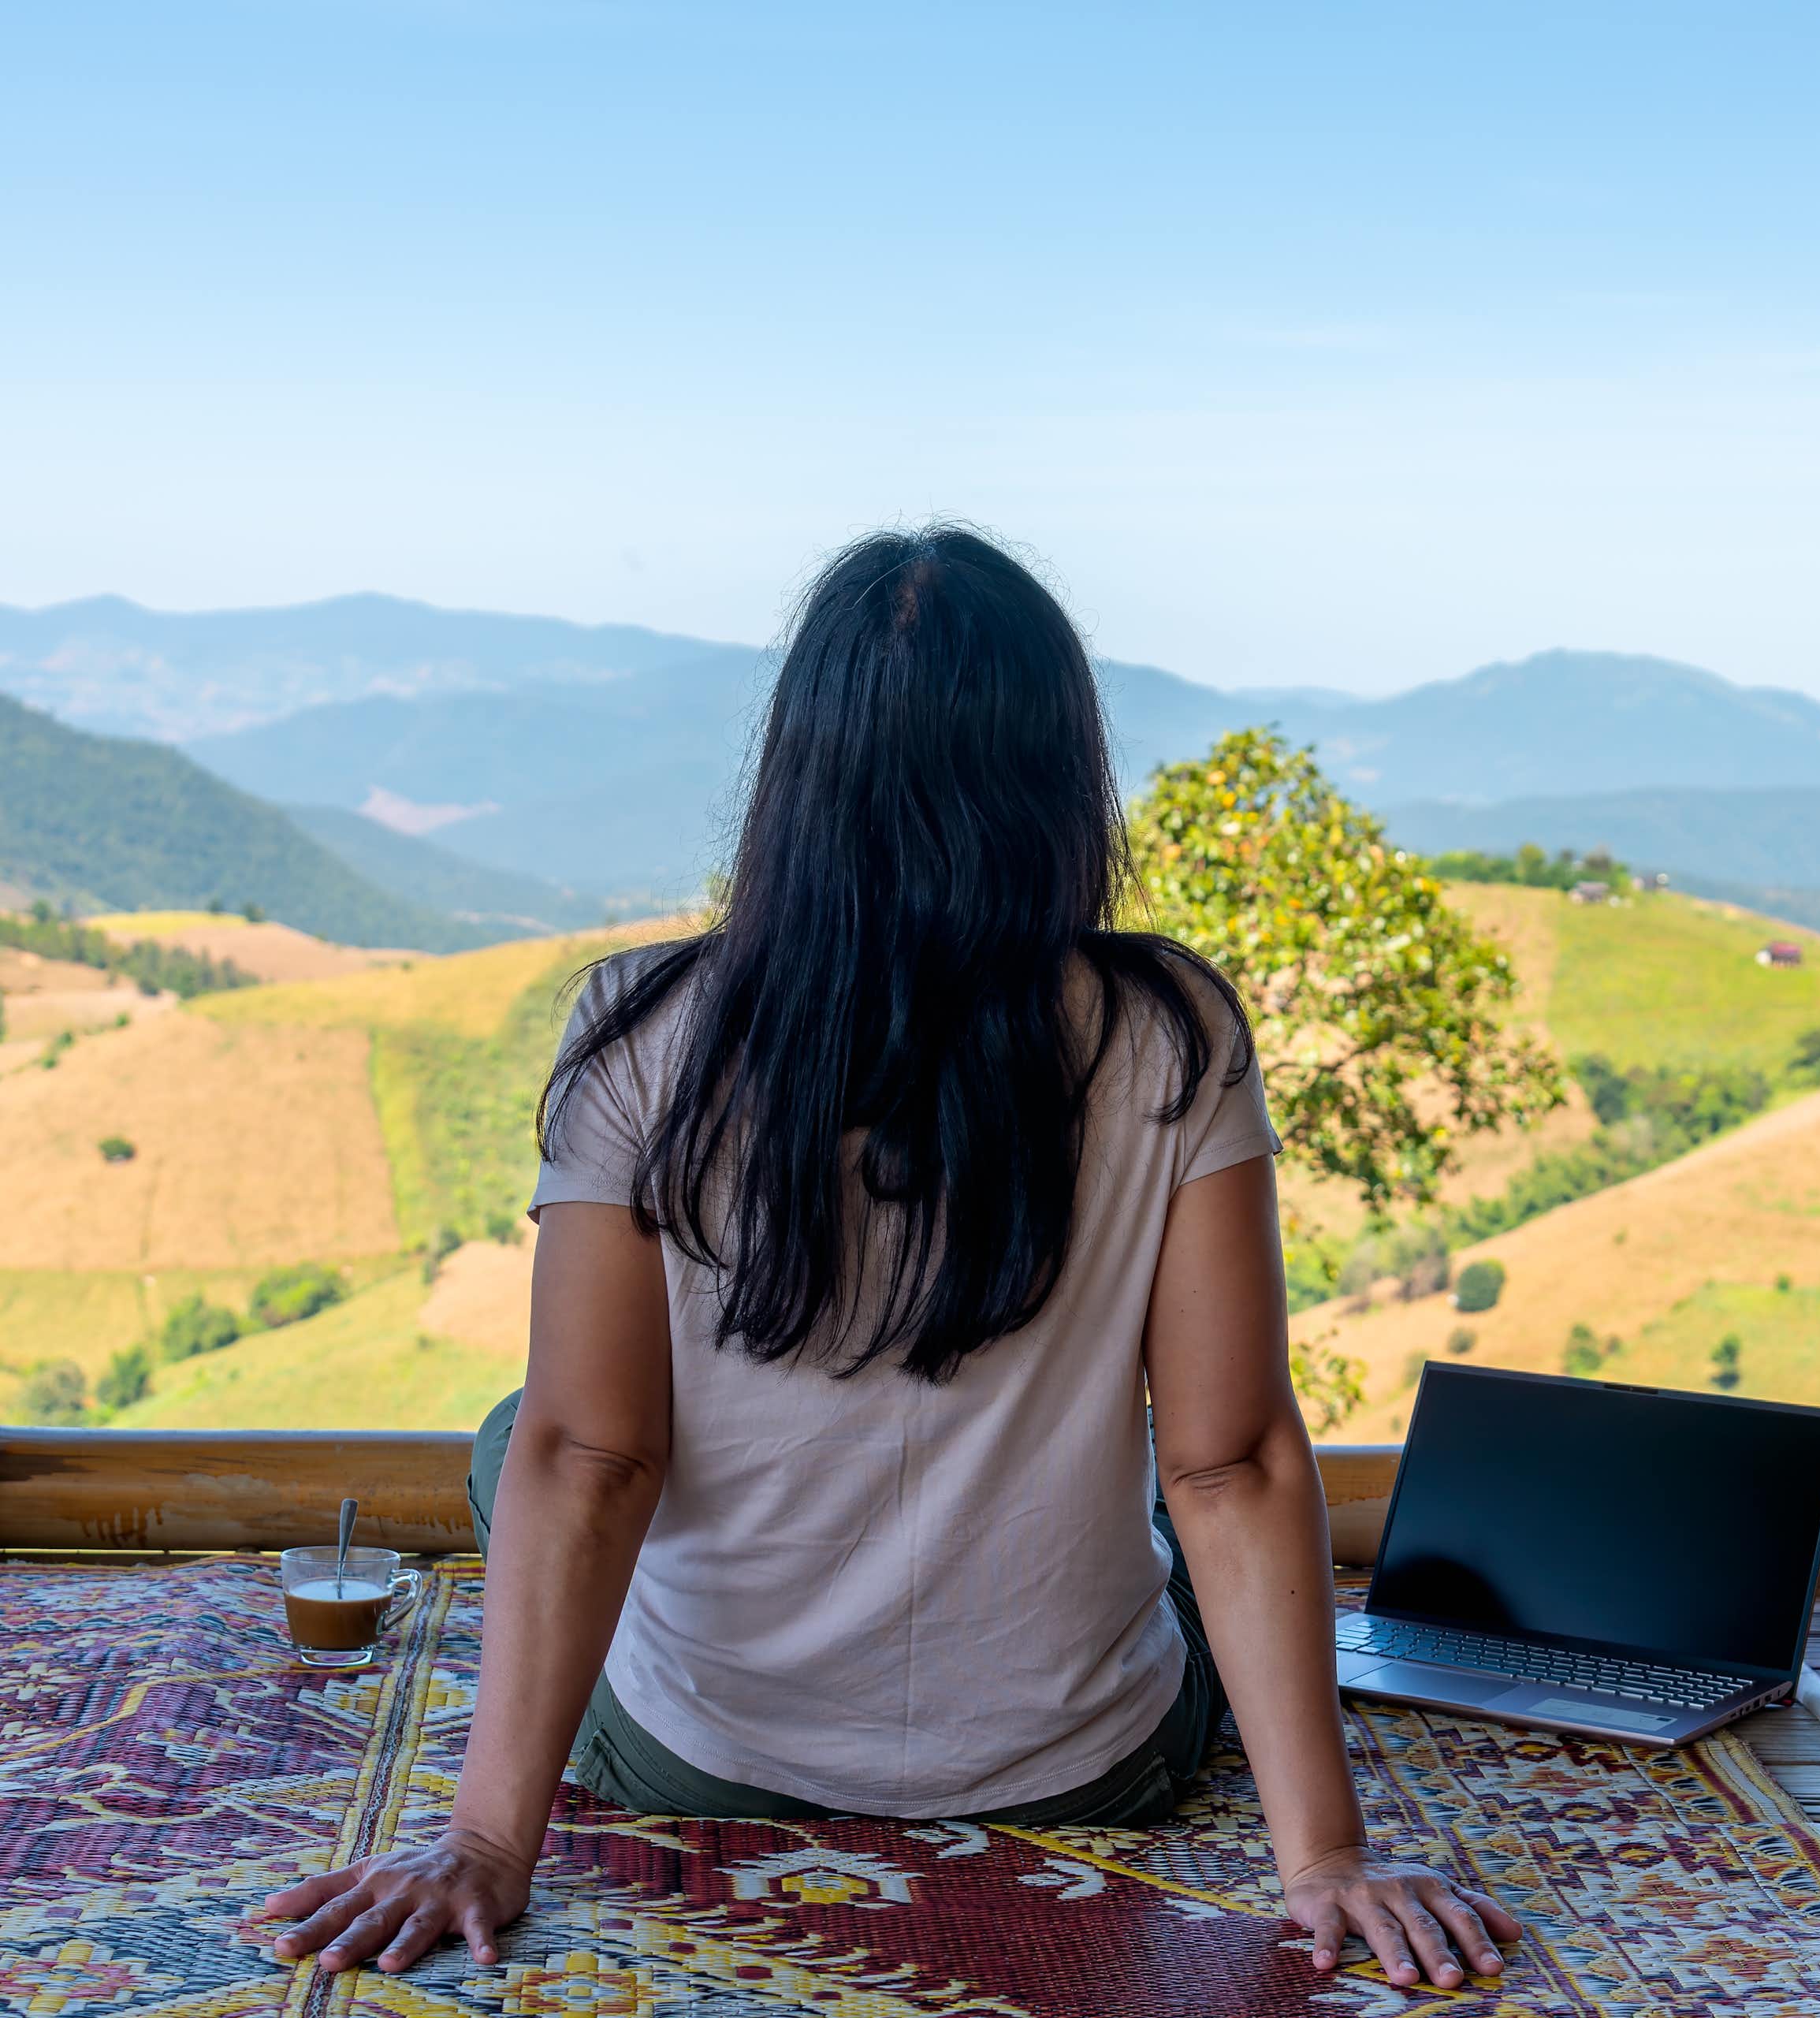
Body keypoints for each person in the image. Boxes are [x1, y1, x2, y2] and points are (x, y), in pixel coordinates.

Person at [261, 527, 1520, 1990]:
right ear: (1062, 776)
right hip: (1077, 1772)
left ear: (797, 771)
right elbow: (1229, 1462)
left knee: (519, 1441)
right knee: (1177, 1538)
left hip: (704, 1762)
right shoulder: (1175, 1031)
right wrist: (1326, 1862)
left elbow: (589, 1462)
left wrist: (485, 1844)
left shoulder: (635, 1030)